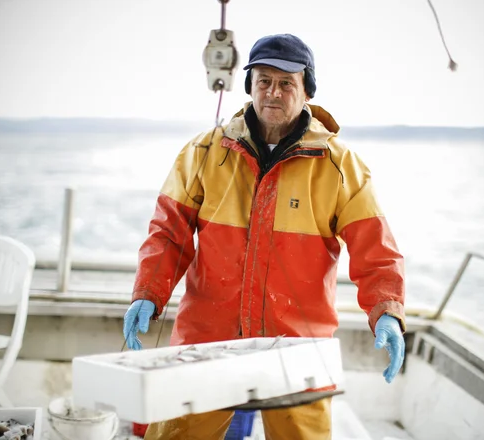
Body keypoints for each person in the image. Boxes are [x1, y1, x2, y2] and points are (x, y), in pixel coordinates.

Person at [123, 33, 406, 439]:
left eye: (287, 82)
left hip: (298, 345)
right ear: (250, 86)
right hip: (207, 338)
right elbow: (168, 233)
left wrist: (387, 312)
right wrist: (148, 292)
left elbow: (376, 251)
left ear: (307, 90)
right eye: (263, 80)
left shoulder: (341, 165)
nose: (274, 92)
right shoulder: (203, 152)